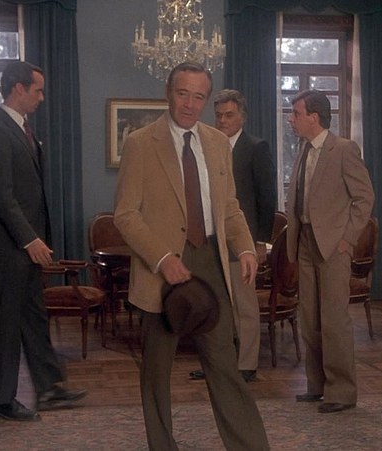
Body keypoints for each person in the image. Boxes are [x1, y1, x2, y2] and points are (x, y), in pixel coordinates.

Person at [113, 62, 269, 450]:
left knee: (225, 364)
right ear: (168, 92)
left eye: (199, 96)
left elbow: (229, 206)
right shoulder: (141, 143)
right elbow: (126, 214)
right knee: (156, 370)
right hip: (161, 269)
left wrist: (245, 246)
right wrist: (162, 258)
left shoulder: (217, 143)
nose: (190, 103)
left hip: (210, 264)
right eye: (183, 93)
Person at [0, 61, 86, 421]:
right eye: (37, 90)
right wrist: (30, 240)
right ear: (18, 89)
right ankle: (1, 402)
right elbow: (3, 197)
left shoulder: (21, 128)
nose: (42, 97)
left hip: (25, 247)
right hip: (11, 248)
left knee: (34, 318)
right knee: (8, 326)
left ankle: (49, 389)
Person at [285, 89, 374, 414]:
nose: (291, 119)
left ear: (314, 117)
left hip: (333, 245)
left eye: (296, 113)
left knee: (334, 319)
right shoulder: (304, 149)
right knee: (310, 318)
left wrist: (347, 239)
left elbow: (364, 197)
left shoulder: (343, 149)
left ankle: (341, 392)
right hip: (305, 242)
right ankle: (317, 385)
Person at [188, 89, 277, 383]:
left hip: (242, 241)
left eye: (229, 115)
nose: (223, 121)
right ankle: (217, 363)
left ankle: (246, 364)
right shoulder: (208, 145)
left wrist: (260, 241)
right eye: (219, 115)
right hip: (210, 240)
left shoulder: (255, 148)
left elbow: (267, 198)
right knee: (215, 305)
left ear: (242, 117)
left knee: (244, 306)